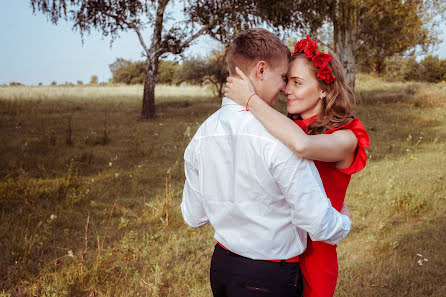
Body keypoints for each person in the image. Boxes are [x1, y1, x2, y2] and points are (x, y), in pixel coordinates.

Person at [181, 29, 352, 297]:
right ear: (261, 70)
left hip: (222, 268)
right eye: (283, 77)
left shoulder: (203, 133)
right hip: (268, 277)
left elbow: (193, 217)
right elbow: (317, 221)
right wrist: (343, 221)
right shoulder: (279, 137)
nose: (284, 88)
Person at [224, 35, 370, 297]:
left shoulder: (345, 138)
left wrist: (249, 99)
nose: (286, 89)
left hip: (315, 252)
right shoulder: (284, 127)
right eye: (286, 80)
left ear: (324, 89)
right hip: (275, 249)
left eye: (298, 82)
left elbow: (302, 145)